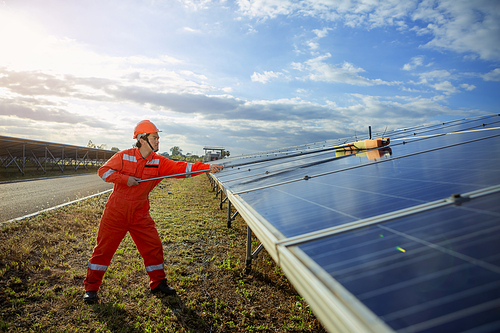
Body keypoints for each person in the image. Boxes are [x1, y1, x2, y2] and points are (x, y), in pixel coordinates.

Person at [83, 120, 222, 304]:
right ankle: (91, 289)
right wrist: (125, 179)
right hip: (116, 212)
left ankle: (158, 283)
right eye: (155, 138)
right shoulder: (124, 156)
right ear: (142, 139)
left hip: (140, 213)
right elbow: (104, 172)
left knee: (153, 247)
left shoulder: (158, 162)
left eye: (158, 138)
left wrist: (206, 167)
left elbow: (181, 168)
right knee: (103, 250)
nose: (158, 141)